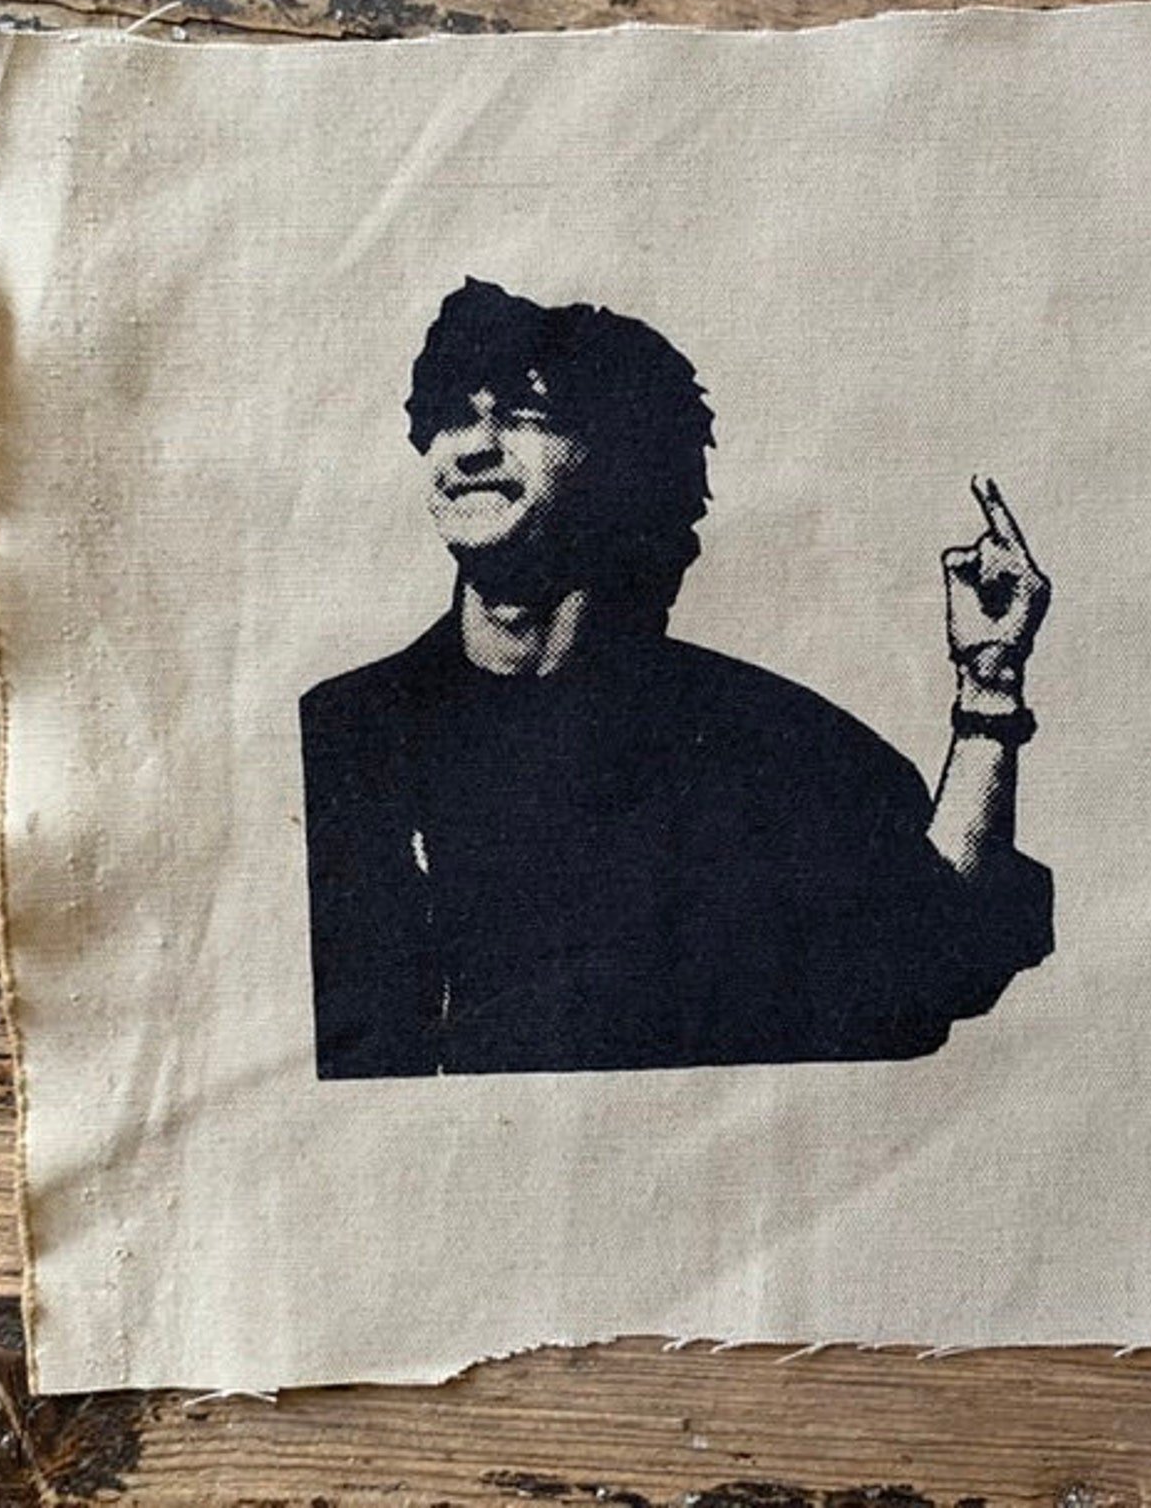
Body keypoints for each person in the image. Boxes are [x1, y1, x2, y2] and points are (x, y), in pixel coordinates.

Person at [301, 277, 1053, 1077]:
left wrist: (990, 687)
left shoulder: (783, 751)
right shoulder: (339, 739)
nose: (472, 447)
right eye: (452, 415)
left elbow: (934, 966)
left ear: (623, 463)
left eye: (525, 414)